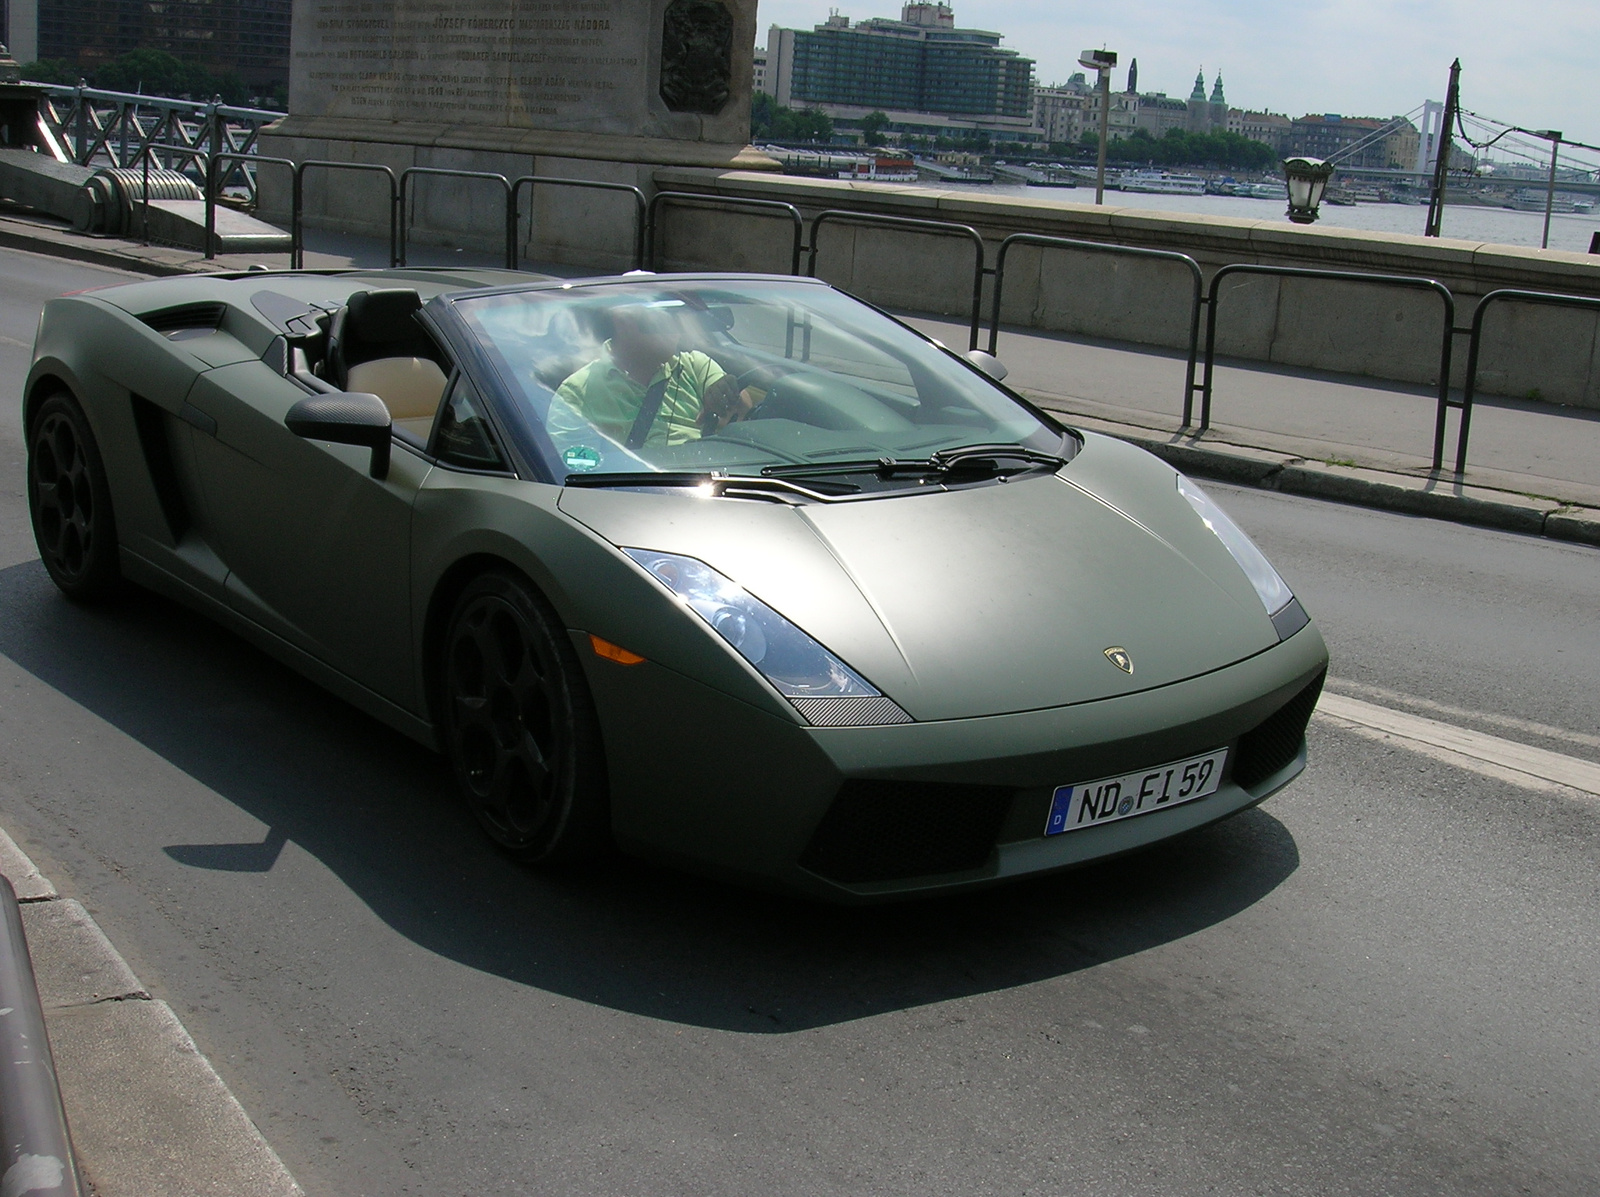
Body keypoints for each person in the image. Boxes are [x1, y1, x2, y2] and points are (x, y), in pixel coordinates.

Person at [551, 303, 752, 449]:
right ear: (622, 323)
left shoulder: (695, 365)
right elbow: (575, 469)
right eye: (661, 319)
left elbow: (742, 407)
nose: (675, 330)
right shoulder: (578, 391)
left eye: (677, 318)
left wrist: (726, 393)